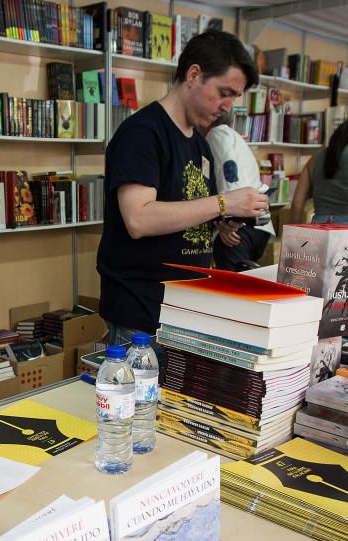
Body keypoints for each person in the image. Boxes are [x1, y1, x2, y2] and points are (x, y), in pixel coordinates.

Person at [96, 30, 269, 345]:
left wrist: (223, 224)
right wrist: (223, 204)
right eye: (224, 92)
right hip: (142, 316)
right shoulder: (143, 133)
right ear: (194, 75)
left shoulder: (200, 145)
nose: (227, 106)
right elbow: (139, 219)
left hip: (184, 313)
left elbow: (190, 210)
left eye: (234, 97)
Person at [200, 109, 275, 271]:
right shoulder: (234, 137)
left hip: (240, 227)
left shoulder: (216, 134)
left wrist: (230, 224)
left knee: (232, 288)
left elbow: (231, 176)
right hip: (256, 227)